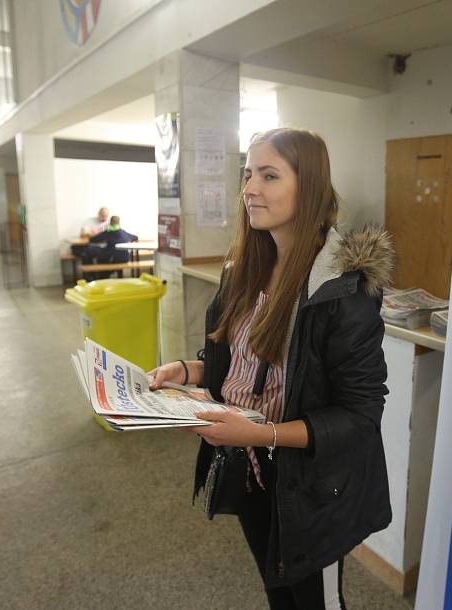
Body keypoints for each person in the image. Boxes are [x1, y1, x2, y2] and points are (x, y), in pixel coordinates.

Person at [149, 128, 393, 609]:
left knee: (315, 603)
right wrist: (189, 371)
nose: (249, 190)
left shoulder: (343, 292)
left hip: (308, 488)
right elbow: (240, 361)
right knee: (278, 592)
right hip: (248, 469)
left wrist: (259, 435)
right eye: (247, 175)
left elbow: (361, 416)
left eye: (269, 175)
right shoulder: (245, 268)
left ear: (310, 189)